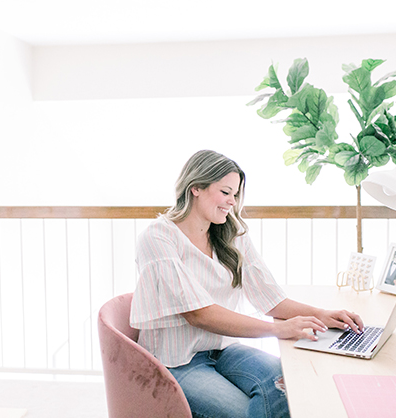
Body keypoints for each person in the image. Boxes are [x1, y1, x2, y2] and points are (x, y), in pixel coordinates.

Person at [130, 150, 364, 418]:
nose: (232, 202)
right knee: (247, 413)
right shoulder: (158, 237)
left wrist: (321, 314)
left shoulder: (232, 233)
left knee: (289, 387)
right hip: (176, 362)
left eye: (236, 194)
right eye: (226, 192)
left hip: (223, 350)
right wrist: (280, 329)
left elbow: (269, 298)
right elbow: (198, 313)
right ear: (195, 187)